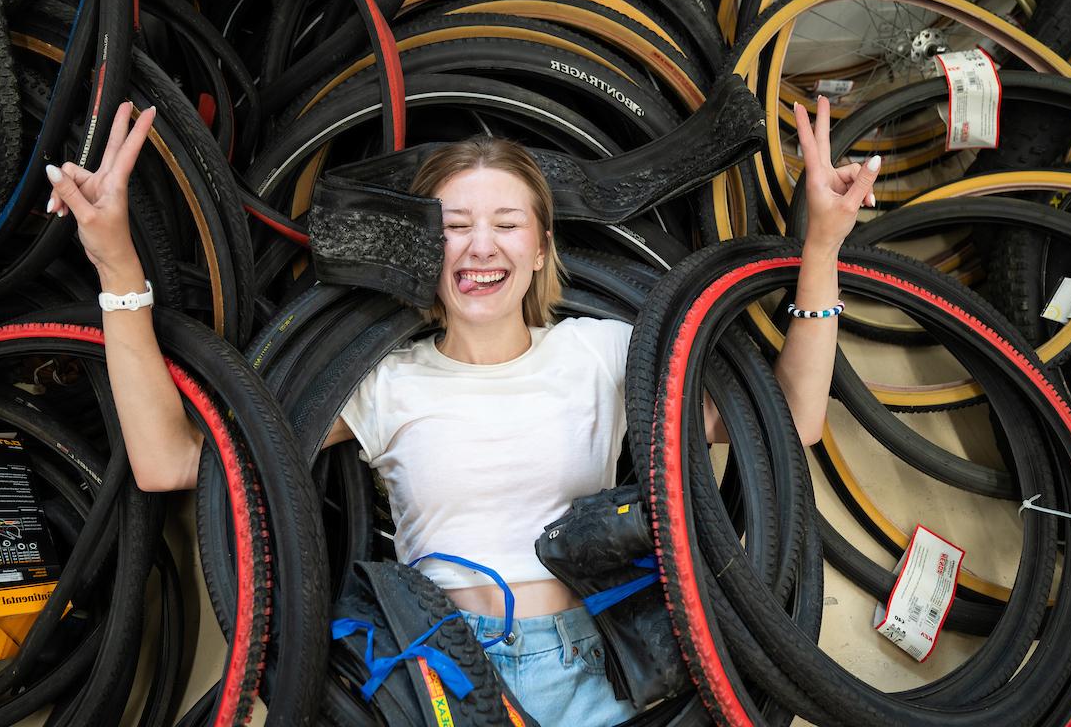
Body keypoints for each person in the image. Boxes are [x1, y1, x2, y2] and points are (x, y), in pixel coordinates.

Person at [45, 95, 877, 726]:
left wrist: (822, 247)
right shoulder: (379, 381)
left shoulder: (605, 352)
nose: (481, 246)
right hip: (436, 672)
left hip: (592, 669)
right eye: (453, 226)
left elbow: (787, 423)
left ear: (541, 247)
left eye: (507, 223)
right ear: (419, 247)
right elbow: (170, 462)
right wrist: (116, 264)